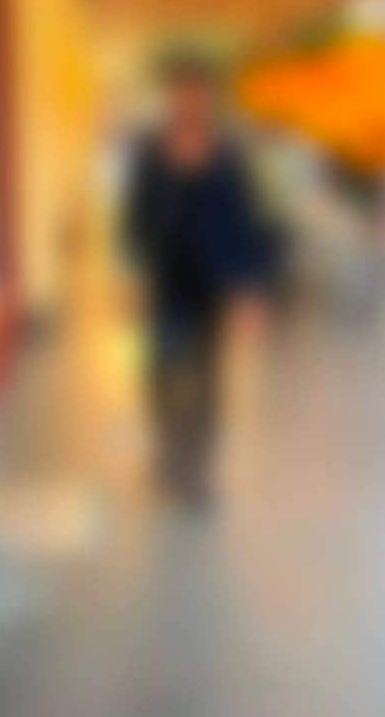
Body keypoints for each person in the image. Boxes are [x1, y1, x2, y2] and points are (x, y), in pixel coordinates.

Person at [120, 51, 275, 505]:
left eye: (197, 93)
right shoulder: (150, 152)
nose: (188, 101)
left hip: (210, 285)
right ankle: (169, 454)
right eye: (181, 92)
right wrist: (131, 276)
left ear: (208, 99)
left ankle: (198, 471)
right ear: (170, 98)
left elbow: (244, 222)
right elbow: (134, 218)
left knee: (207, 381)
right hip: (164, 282)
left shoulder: (229, 155)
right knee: (163, 375)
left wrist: (248, 291)